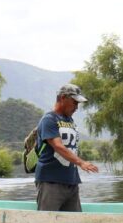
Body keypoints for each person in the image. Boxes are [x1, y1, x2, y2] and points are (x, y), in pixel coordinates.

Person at [35, 84, 99, 212]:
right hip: (51, 181)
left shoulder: (70, 121)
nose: (76, 107)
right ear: (63, 98)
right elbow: (58, 146)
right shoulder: (49, 119)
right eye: (74, 102)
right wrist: (81, 162)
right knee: (48, 222)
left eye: (78, 104)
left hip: (71, 181)